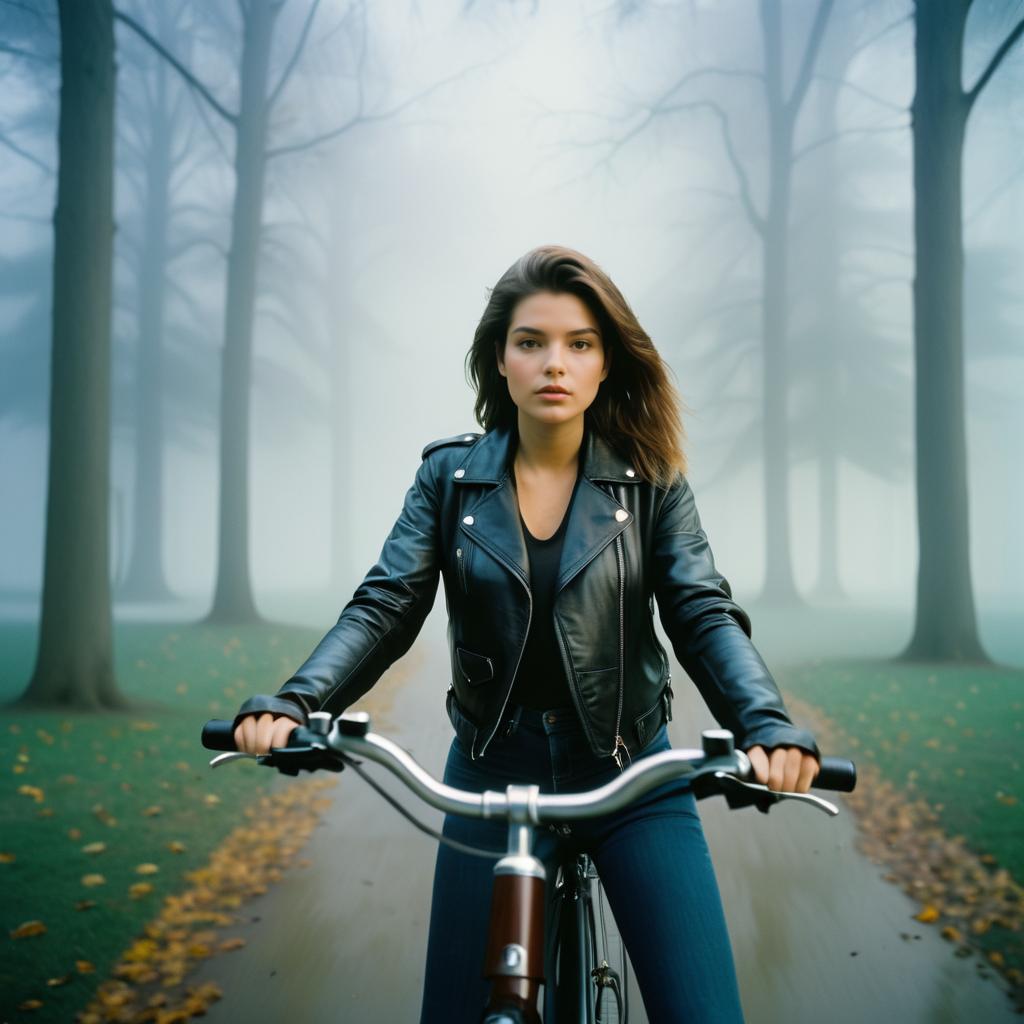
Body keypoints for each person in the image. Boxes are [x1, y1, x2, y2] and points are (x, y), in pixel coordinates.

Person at [232, 245, 820, 1023]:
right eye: (531, 342)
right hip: (489, 774)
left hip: (631, 775)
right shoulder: (448, 480)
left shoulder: (652, 482)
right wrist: (299, 702)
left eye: (580, 344)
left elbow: (701, 612)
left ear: (606, 364)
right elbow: (385, 606)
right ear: (499, 361)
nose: (555, 363)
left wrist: (765, 725)